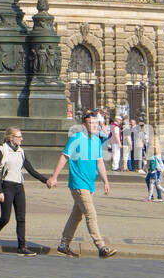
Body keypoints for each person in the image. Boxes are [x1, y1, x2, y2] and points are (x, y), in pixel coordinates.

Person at [47, 110, 117, 258]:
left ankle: (64, 245)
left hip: (90, 184)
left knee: (76, 216)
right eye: (90, 123)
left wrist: (106, 181)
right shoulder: (76, 138)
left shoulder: (97, 141)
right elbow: (64, 157)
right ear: (84, 125)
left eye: (95, 123)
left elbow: (100, 162)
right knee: (91, 214)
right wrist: (54, 177)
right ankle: (101, 246)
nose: (94, 126)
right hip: (78, 184)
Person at [0, 126, 49, 256]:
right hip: (6, 186)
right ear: (11, 138)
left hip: (19, 187)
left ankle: (22, 246)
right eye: (19, 136)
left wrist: (46, 180)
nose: (21, 139)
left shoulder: (21, 151)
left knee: (21, 217)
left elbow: (30, 169)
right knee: (5, 218)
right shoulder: (2, 150)